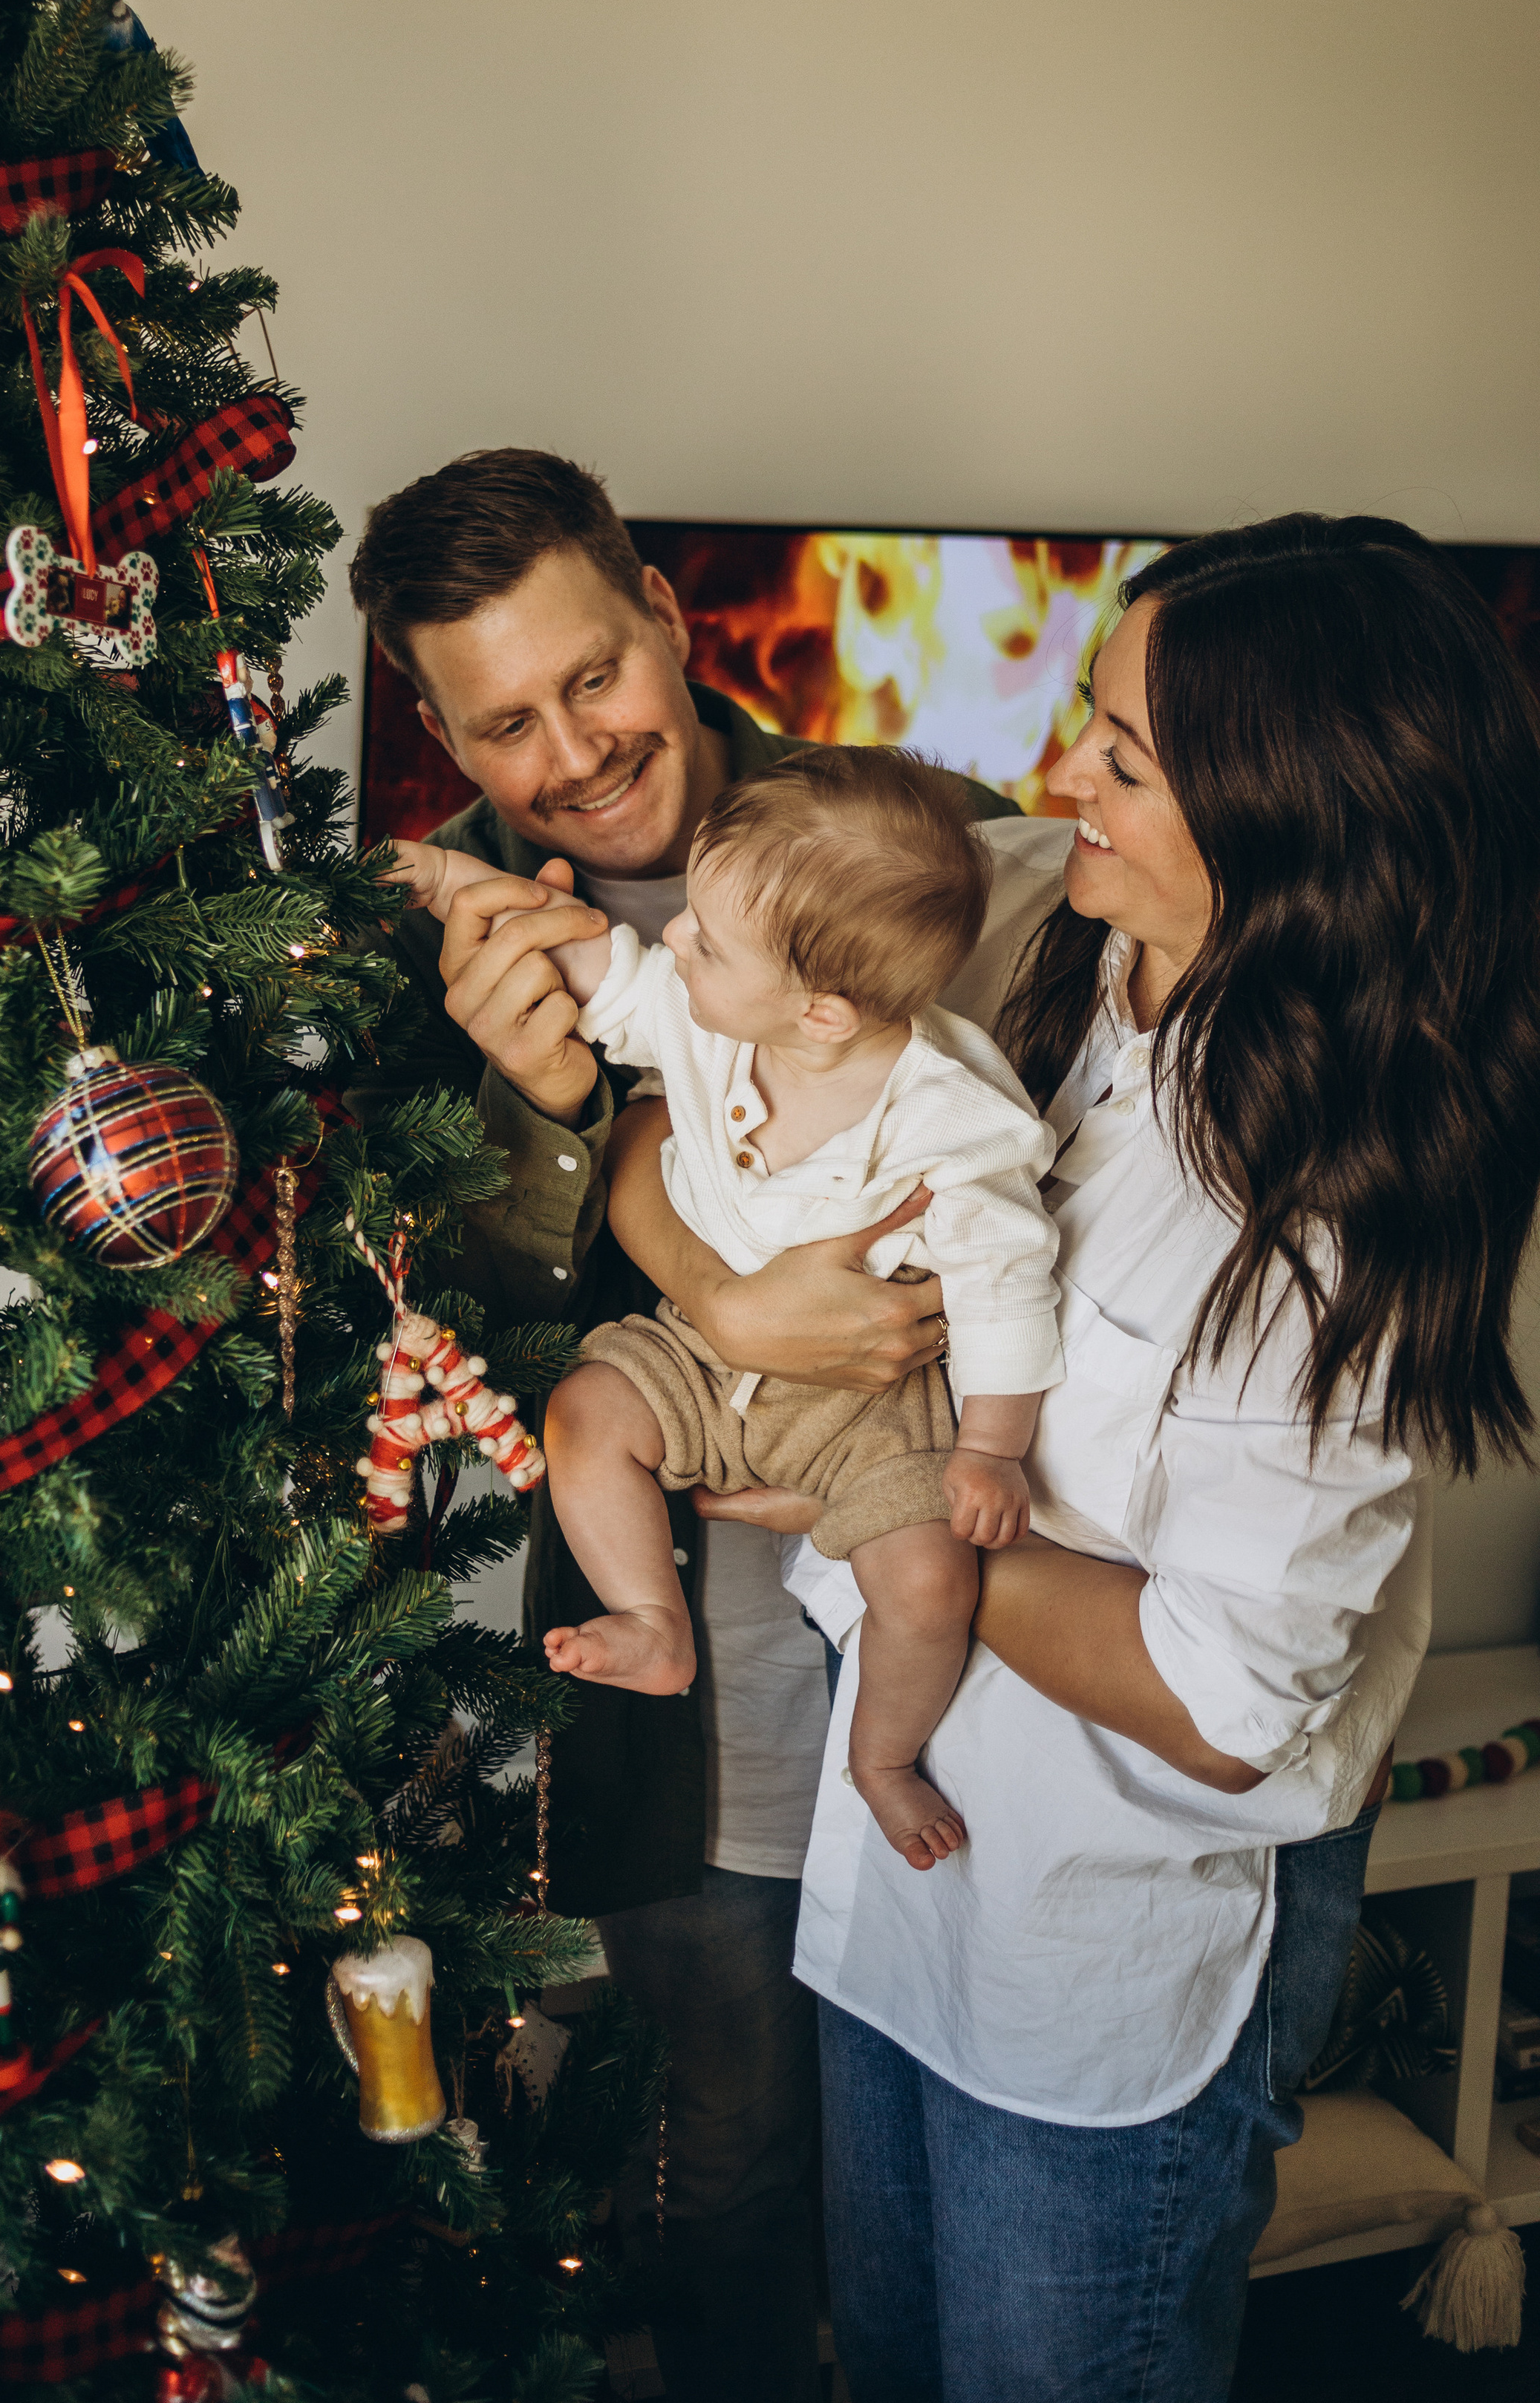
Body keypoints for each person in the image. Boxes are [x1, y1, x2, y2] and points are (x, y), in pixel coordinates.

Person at [598, 513, 1540, 2402]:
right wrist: (727, 1292)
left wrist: (866, 1517)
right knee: (886, 2355)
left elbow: (1219, 1706)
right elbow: (688, 1091)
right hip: (913, 1870)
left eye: (1124, 755)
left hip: (1099, 1941)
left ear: (1290, 809)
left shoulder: (1320, 1211)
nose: (1062, 782)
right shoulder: (1065, 958)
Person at [347, 452, 1017, 2403]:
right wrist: (544, 1120)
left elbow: (1085, 1202)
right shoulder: (421, 956)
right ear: (436, 725)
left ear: (662, 608)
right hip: (691, 1721)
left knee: (955, 2154)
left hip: (981, 1642)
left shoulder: (936, 836)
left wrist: (816, 1315)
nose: (566, 756)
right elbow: (435, 1355)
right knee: (721, 2165)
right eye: (500, 726)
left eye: (592, 681)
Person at [385, 744, 1063, 1869]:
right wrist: (452, 883)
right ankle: (654, 1624)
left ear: (825, 1013)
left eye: (706, 937)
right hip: (697, 1349)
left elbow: (1006, 1279)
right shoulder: (707, 1013)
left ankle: (884, 1758)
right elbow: (604, 966)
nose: (676, 941)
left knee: (931, 1577)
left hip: (867, 1398)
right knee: (584, 1419)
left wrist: (992, 1446)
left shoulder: (954, 1119)